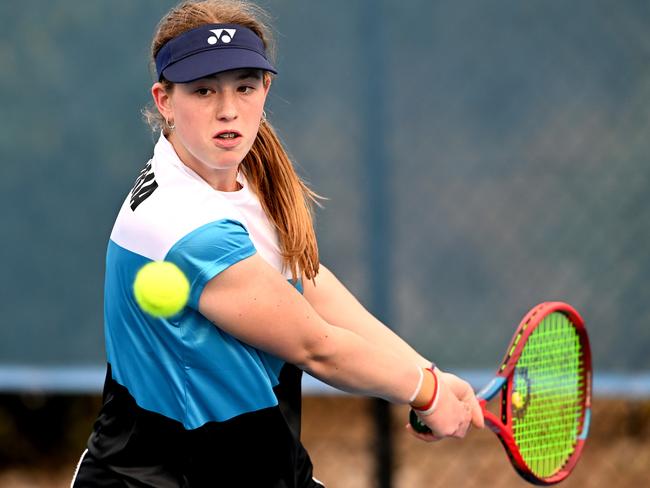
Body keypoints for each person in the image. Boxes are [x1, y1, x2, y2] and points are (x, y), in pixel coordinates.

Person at [71, 1, 483, 486]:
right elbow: (316, 347)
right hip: (160, 478)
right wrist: (426, 393)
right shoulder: (183, 225)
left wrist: (423, 370)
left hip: (257, 464)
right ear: (164, 100)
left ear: (266, 88)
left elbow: (308, 283)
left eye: (244, 87)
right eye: (203, 90)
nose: (228, 109)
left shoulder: (241, 175)